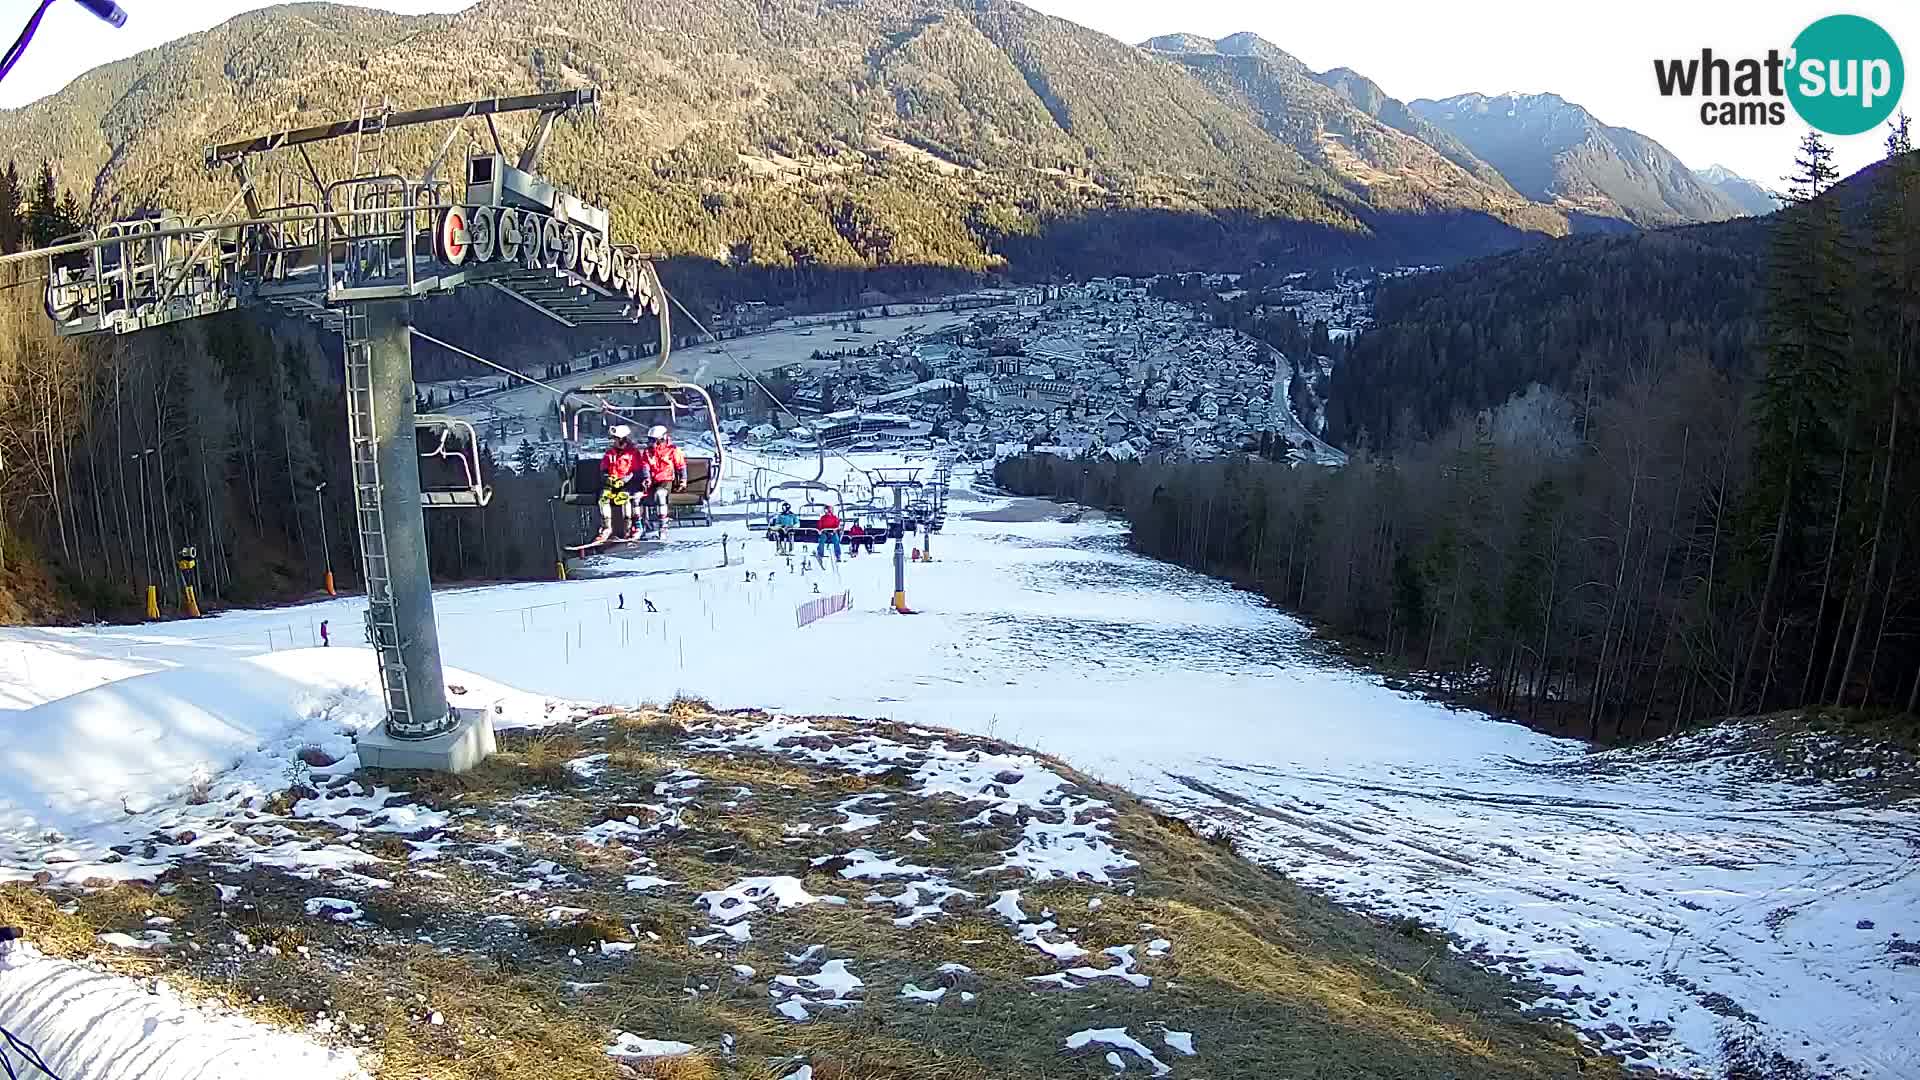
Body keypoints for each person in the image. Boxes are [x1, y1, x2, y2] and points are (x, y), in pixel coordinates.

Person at [641, 425, 687, 539]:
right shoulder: (648, 452)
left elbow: (681, 466)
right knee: (637, 496)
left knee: (660, 494)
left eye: (653, 440)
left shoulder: (672, 450)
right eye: (650, 440)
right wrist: (646, 478)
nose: (650, 443)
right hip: (652, 481)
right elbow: (645, 466)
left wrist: (683, 480)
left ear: (661, 439)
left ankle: (663, 526)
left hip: (666, 480)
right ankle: (639, 526)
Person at [598, 425, 644, 541]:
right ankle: (606, 528)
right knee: (603, 499)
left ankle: (628, 529)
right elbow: (603, 469)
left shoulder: (633, 453)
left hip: (628, 485)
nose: (614, 441)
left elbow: (637, 472)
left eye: (616, 439)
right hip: (612, 484)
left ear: (623, 439)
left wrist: (625, 480)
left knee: (625, 500)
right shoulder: (610, 453)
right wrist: (608, 478)